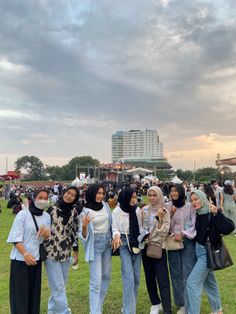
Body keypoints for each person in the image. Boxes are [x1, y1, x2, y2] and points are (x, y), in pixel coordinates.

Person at [186, 190, 235, 314]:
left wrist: (216, 213)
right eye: (192, 200)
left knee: (192, 283)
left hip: (207, 254)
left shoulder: (210, 213)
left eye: (196, 199)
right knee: (210, 282)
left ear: (202, 198)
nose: (194, 202)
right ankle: (217, 310)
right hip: (199, 251)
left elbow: (229, 228)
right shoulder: (198, 213)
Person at [7, 189, 51, 314]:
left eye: (45, 198)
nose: (43, 200)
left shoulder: (47, 217)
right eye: (40, 197)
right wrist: (25, 254)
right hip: (21, 261)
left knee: (34, 294)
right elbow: (15, 239)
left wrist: (47, 235)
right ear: (33, 198)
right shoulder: (23, 214)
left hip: (36, 260)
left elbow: (47, 237)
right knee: (20, 296)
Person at [44, 186, 80, 314]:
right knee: (58, 286)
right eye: (68, 193)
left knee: (60, 285)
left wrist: (76, 252)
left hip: (66, 254)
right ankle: (65, 311)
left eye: (73, 195)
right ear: (64, 193)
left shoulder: (74, 212)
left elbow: (74, 232)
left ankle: (52, 311)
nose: (69, 196)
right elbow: (44, 229)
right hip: (51, 253)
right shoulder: (51, 209)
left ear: (75, 198)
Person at [79, 184, 112, 314]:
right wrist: (84, 226)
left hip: (107, 244)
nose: (100, 196)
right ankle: (95, 311)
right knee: (96, 282)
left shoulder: (105, 206)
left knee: (106, 276)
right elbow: (83, 236)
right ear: (92, 193)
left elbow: (110, 222)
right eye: (98, 193)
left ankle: (98, 307)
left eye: (102, 193)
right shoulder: (85, 211)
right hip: (95, 246)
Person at [165, 184, 196, 314]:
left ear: (181, 192)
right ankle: (181, 303)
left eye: (176, 190)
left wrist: (183, 234)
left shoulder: (189, 206)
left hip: (187, 241)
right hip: (172, 242)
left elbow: (194, 224)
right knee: (175, 273)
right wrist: (170, 215)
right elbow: (165, 226)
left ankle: (189, 302)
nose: (174, 193)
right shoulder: (168, 206)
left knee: (187, 273)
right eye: (171, 191)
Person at [140, 186, 172, 314]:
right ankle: (155, 303)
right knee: (149, 277)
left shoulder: (164, 211)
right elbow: (140, 227)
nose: (152, 198)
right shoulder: (143, 210)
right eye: (150, 195)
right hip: (146, 247)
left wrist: (159, 218)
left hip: (159, 247)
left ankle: (167, 308)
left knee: (163, 278)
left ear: (159, 196)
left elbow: (164, 232)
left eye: (155, 195)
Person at [112, 187, 142, 314]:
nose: (133, 200)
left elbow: (141, 227)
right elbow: (114, 228)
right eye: (131, 197)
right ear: (125, 197)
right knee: (128, 277)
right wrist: (117, 236)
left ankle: (128, 306)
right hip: (124, 243)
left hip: (137, 243)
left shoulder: (137, 210)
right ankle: (129, 311)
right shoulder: (117, 211)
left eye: (135, 197)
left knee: (136, 278)